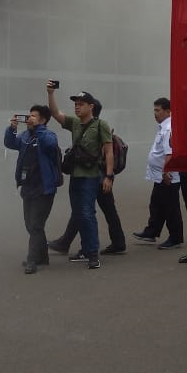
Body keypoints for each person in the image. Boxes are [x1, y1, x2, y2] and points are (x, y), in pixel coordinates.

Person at [47, 97, 127, 256]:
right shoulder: (78, 124)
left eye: (80, 105)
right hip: (94, 175)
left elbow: (108, 153)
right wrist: (51, 93)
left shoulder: (100, 127)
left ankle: (82, 247)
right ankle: (117, 242)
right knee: (100, 210)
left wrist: (109, 177)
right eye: (76, 105)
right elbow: (56, 114)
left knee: (85, 211)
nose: (77, 108)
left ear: (92, 108)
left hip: (96, 176)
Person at [4, 105, 61, 274]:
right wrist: (12, 129)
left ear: (43, 120)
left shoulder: (48, 135)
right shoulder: (25, 136)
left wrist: (38, 128)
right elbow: (10, 143)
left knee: (36, 225)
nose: (29, 119)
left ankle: (32, 260)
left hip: (44, 189)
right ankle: (42, 256)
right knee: (30, 225)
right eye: (28, 116)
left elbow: (49, 144)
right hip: (27, 187)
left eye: (33, 116)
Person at [131, 97, 183, 248]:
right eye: (154, 110)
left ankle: (175, 237)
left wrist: (166, 171)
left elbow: (170, 153)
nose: (155, 113)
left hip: (168, 176)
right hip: (160, 175)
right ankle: (152, 231)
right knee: (157, 204)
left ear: (168, 111)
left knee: (170, 207)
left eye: (158, 110)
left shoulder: (168, 128)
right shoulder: (162, 126)